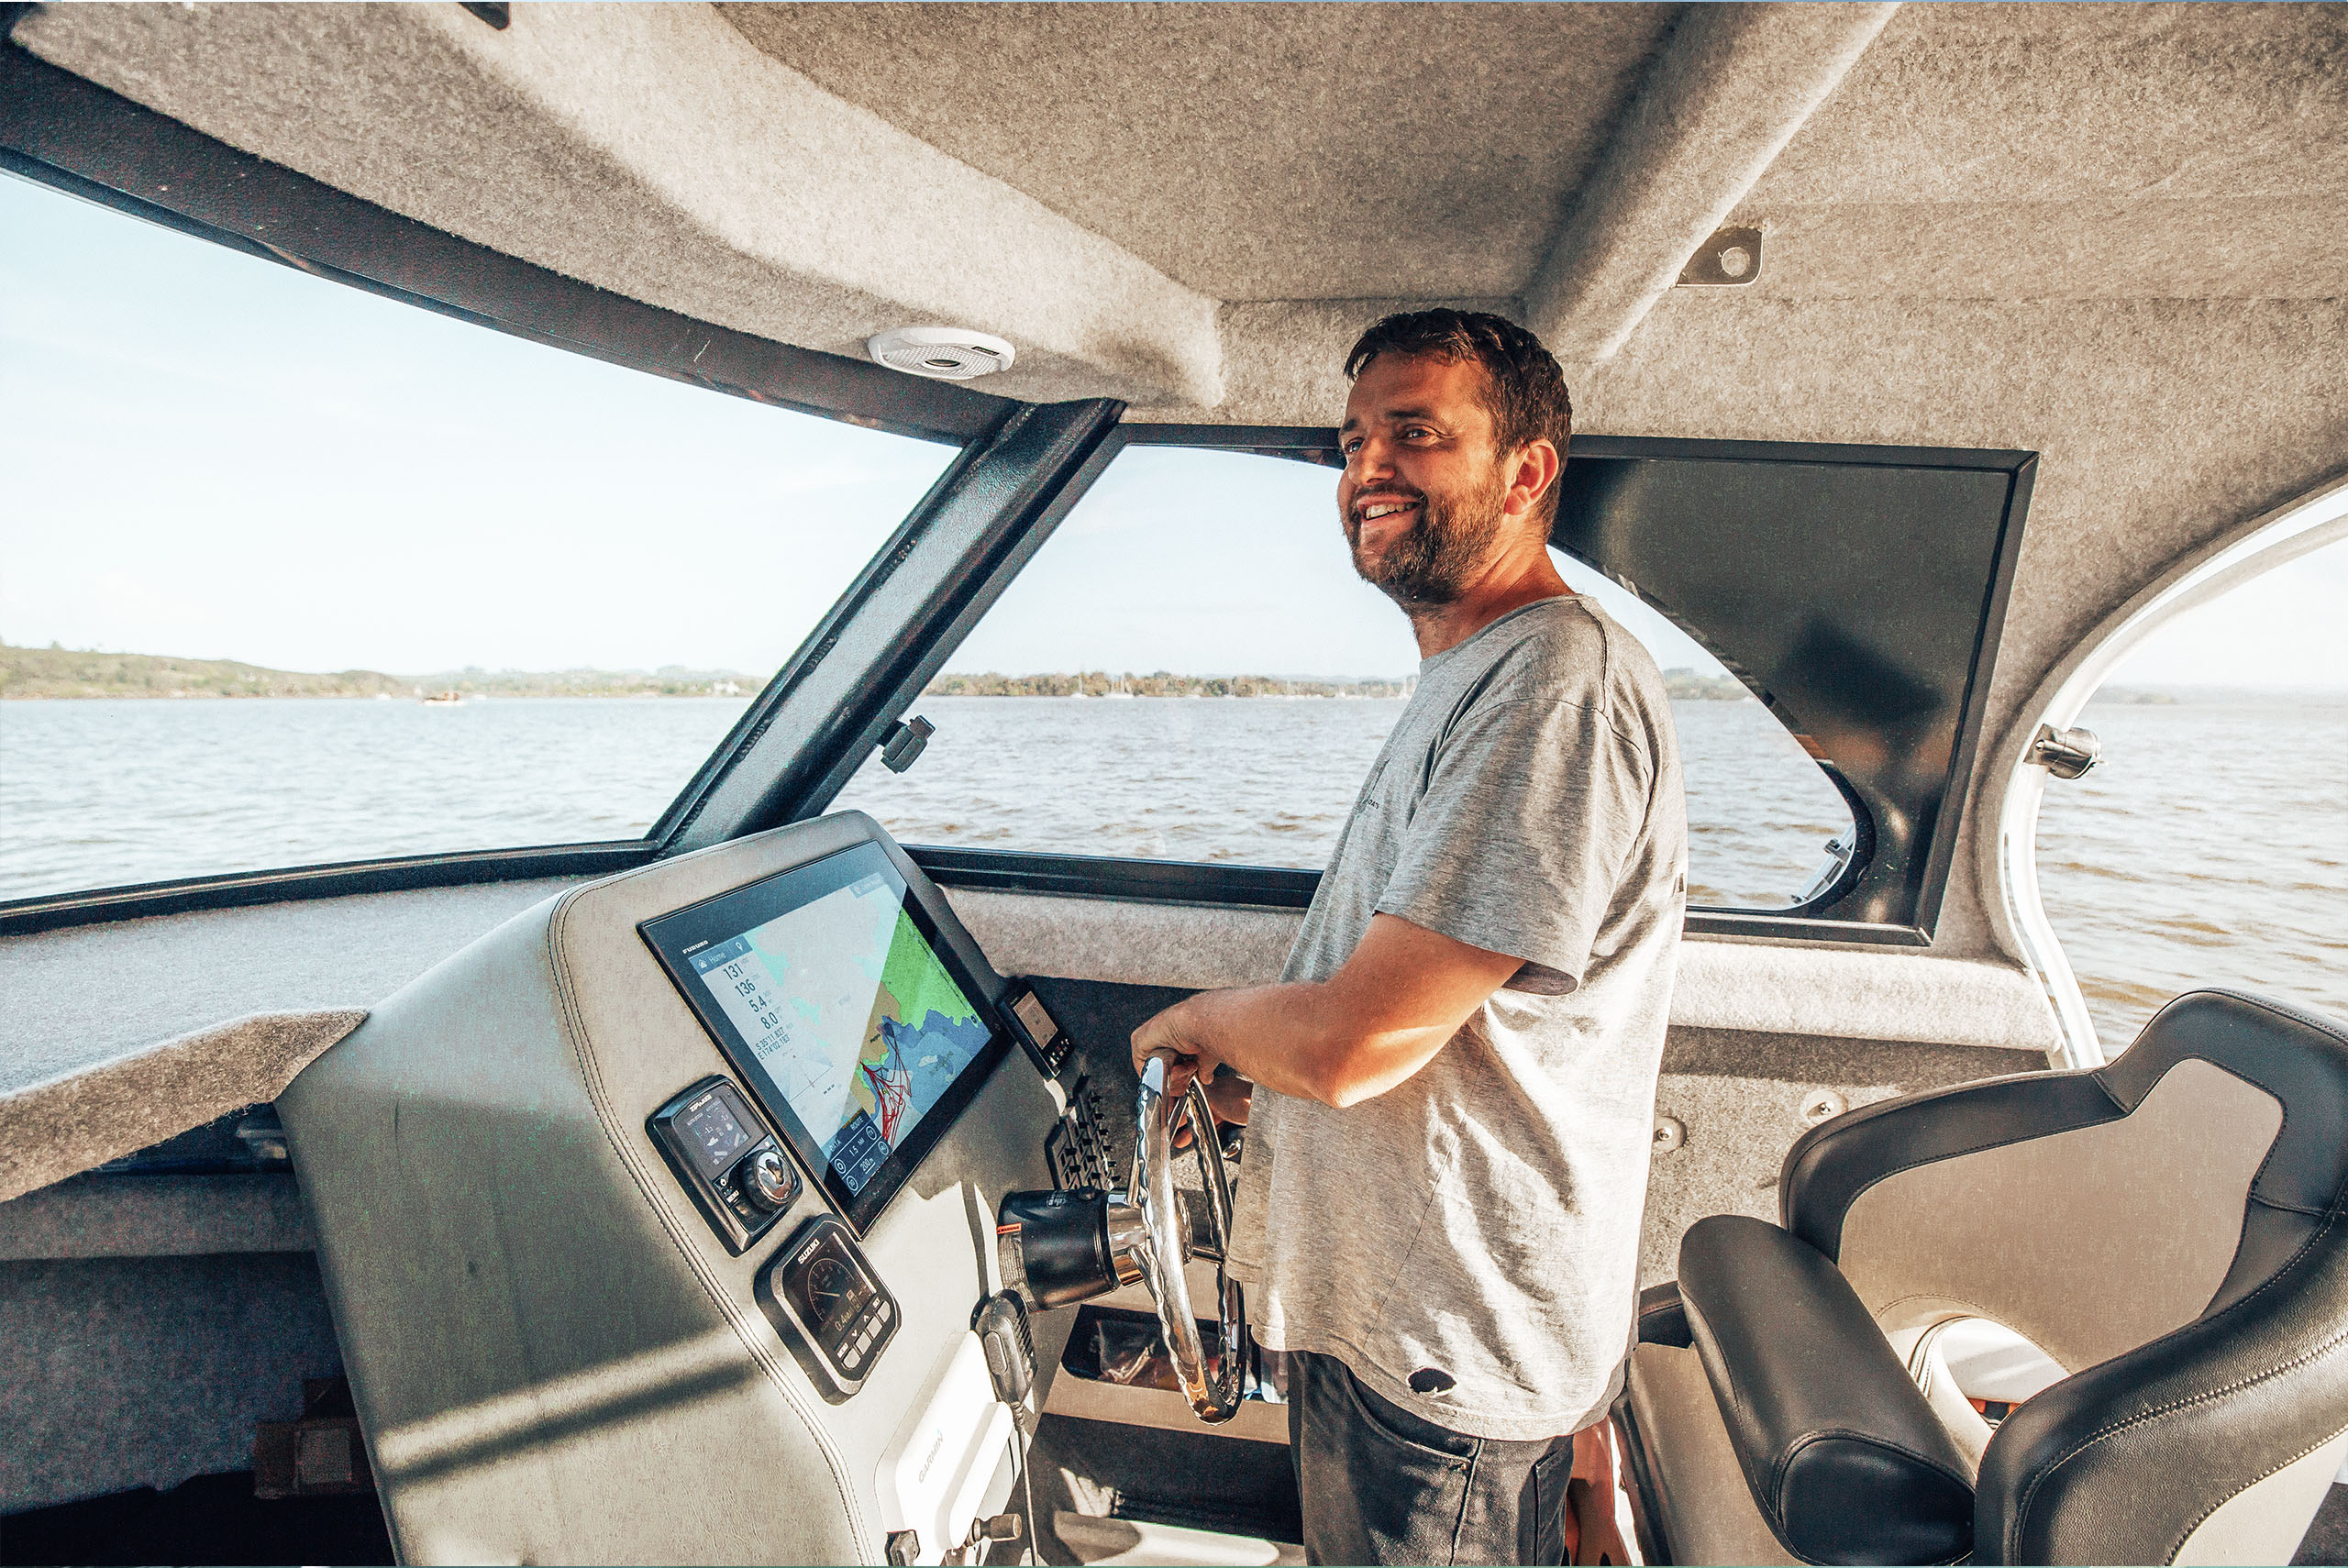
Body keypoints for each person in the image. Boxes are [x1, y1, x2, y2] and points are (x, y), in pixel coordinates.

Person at [1130, 309, 1688, 1566]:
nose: (1365, 469)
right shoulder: (1486, 669)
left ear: (1527, 471)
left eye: (1415, 434)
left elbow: (1359, 1040)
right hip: (1426, 1328)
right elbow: (1446, 1021)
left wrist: (1199, 1026)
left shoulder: (1554, 683)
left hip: (1445, 1356)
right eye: (1353, 441)